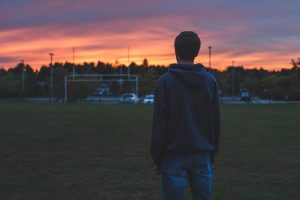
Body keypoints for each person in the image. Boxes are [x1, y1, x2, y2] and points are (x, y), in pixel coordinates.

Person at [150, 31, 220, 200]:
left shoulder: (165, 82)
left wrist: (157, 156)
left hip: (173, 155)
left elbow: (159, 124)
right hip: (202, 154)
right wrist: (212, 152)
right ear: (197, 52)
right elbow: (215, 123)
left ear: (176, 52)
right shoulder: (210, 82)